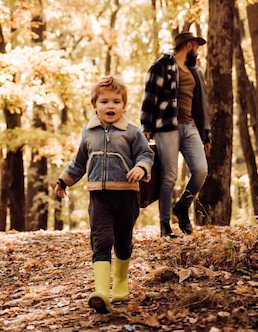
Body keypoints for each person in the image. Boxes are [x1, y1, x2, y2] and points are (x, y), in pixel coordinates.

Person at [55, 75, 154, 314]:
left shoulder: (132, 132)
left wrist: (141, 168)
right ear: (94, 105)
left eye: (116, 102)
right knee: (101, 240)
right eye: (105, 101)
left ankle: (120, 284)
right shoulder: (88, 133)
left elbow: (146, 154)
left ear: (124, 105)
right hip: (99, 197)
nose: (111, 106)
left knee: (123, 241)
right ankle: (101, 291)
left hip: (127, 196)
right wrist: (63, 181)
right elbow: (79, 162)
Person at [140, 31, 211, 238]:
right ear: (189, 46)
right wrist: (146, 125)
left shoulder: (195, 71)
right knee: (169, 177)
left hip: (190, 128)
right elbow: (149, 96)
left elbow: (202, 106)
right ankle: (164, 226)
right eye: (196, 47)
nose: (197, 52)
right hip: (166, 126)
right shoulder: (161, 65)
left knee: (200, 170)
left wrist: (206, 135)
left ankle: (182, 206)